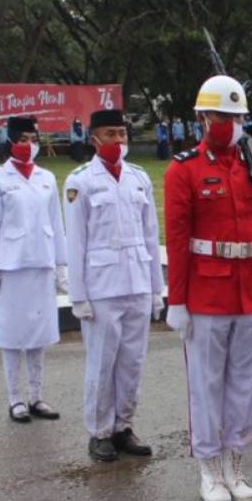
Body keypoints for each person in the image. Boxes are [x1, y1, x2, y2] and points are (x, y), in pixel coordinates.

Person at [163, 75, 252, 501]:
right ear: (202, 118)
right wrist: (178, 301)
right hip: (207, 292)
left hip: (249, 289)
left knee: (244, 384)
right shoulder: (184, 169)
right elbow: (178, 239)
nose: (229, 124)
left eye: (236, 117)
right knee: (206, 385)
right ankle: (208, 469)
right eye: (221, 116)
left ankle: (235, 465)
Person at [63, 109, 163, 463]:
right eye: (110, 134)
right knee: (102, 362)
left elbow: (151, 236)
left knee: (133, 362)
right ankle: (100, 431)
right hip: (102, 285)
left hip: (137, 279)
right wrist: (78, 295)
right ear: (94, 139)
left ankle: (124, 426)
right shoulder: (81, 181)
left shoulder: (138, 178)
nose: (118, 141)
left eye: (122, 133)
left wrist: (156, 288)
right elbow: (74, 242)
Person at [0, 117, 67, 423]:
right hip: (12, 264)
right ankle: (15, 398)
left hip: (41, 262)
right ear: (10, 141)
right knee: (11, 333)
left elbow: (56, 223)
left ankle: (36, 396)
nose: (29, 145)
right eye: (23, 139)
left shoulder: (46, 177)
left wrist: (61, 263)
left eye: (33, 138)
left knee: (38, 333)